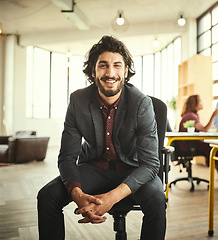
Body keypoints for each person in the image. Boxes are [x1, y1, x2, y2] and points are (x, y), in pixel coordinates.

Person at [37, 36, 166, 240]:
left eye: (117, 66)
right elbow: (67, 157)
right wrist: (77, 195)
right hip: (95, 169)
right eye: (103, 65)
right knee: (47, 196)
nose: (110, 73)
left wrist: (111, 197)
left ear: (125, 71)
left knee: (157, 198)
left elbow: (150, 164)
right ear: (93, 71)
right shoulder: (78, 101)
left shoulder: (141, 103)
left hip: (133, 169)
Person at [177, 95, 218, 184]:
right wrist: (213, 116)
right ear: (195, 104)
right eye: (200, 101)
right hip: (189, 146)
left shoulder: (191, 115)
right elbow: (205, 130)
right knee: (213, 148)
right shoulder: (191, 115)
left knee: (213, 148)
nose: (202, 103)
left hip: (191, 144)